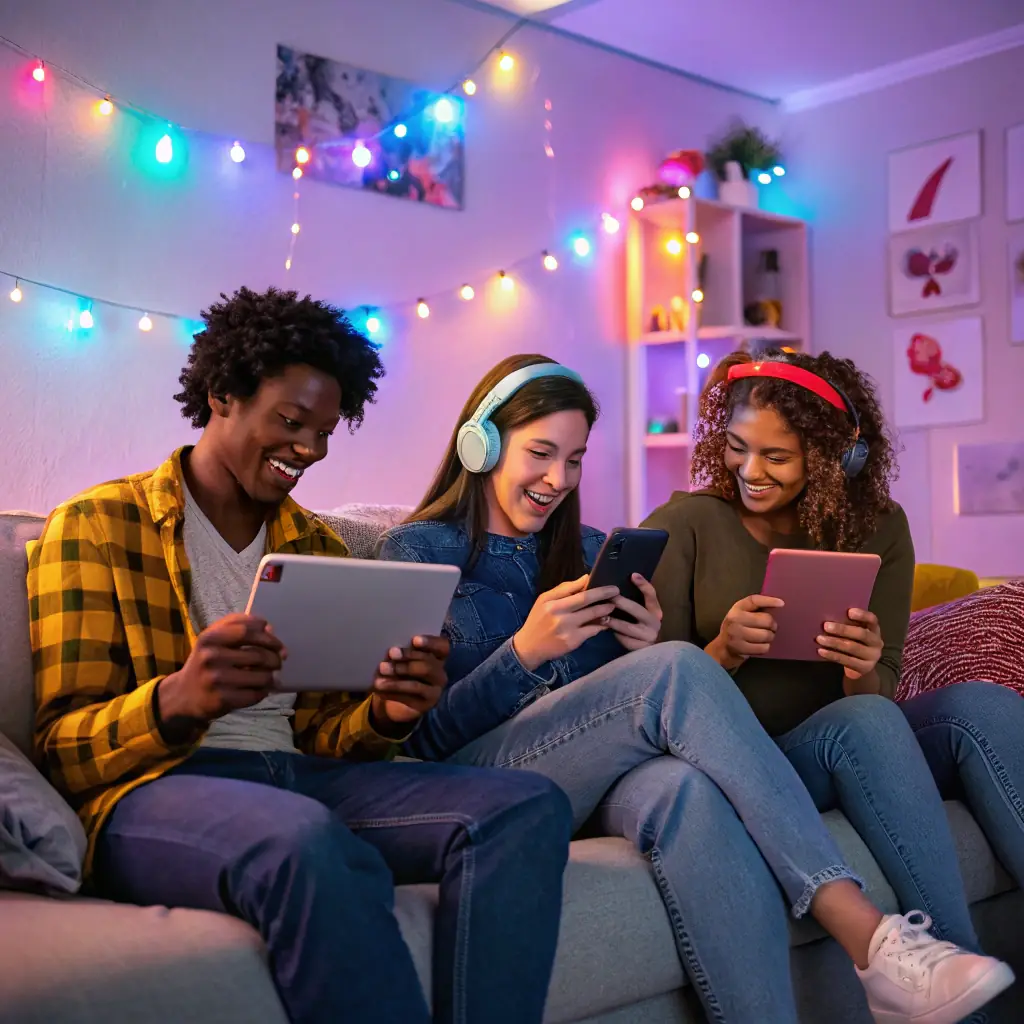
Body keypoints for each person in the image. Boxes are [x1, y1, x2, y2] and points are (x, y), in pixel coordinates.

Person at [377, 352, 1013, 1024]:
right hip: (478, 778)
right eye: (541, 453)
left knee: (690, 790)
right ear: (482, 444)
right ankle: (868, 934)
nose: (557, 478)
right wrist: (525, 653)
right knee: (681, 666)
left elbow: (616, 710)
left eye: (575, 459)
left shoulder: (599, 548)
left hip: (597, 774)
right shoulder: (419, 552)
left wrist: (641, 645)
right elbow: (418, 736)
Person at [29, 288, 573, 1024]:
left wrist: (384, 711)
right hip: (159, 788)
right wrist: (177, 699)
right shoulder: (97, 524)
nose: (309, 451)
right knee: (305, 841)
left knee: (526, 807)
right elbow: (60, 750)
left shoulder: (312, 544)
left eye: (324, 432)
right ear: (222, 395)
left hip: (300, 775)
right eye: (290, 423)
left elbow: (324, 733)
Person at [642, 348, 1021, 1016]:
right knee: (867, 723)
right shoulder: (685, 524)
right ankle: (950, 992)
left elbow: (878, 697)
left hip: (849, 741)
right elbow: (654, 697)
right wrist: (724, 649)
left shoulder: (880, 528)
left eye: (776, 457)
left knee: (981, 707)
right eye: (736, 448)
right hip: (753, 762)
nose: (749, 471)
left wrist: (863, 667)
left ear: (834, 457)